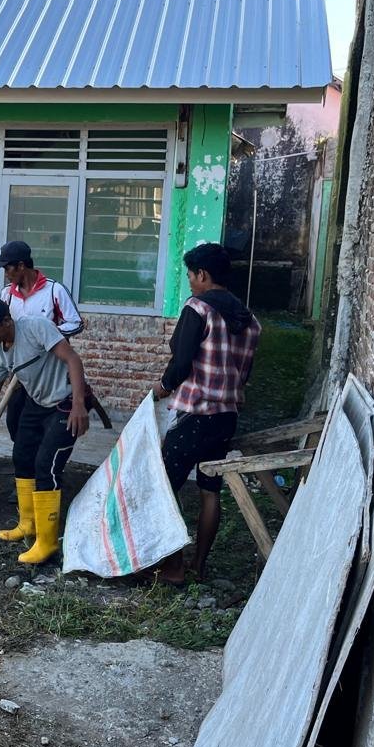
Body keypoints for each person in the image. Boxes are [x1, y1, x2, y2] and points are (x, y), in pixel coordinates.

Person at [151, 242, 261, 582]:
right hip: (226, 416)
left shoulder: (197, 308)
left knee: (165, 487)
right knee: (209, 489)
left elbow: (181, 360)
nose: (189, 281)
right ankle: (198, 565)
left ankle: (172, 567)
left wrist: (162, 387)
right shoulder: (249, 319)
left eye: (190, 275)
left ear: (203, 274)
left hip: (195, 414)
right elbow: (244, 373)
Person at [0, 296, 89, 564]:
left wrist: (79, 405)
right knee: (22, 457)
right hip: (38, 402)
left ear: (6, 321)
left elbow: (73, 359)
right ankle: (28, 524)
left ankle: (47, 542)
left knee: (46, 464)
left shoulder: (36, 328)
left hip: (67, 401)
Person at [0, 239, 83, 456]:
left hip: (49, 370)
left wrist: (48, 333)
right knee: (15, 420)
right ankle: (26, 456)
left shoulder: (54, 290)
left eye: (7, 268)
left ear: (21, 266)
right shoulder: (7, 295)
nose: (5, 274)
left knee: (43, 423)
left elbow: (76, 323)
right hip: (22, 371)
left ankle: (42, 456)